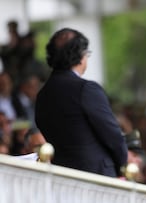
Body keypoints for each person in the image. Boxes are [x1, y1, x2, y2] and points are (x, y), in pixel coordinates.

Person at [35, 28, 128, 177]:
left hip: (62, 177)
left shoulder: (42, 95)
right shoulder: (86, 89)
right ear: (80, 55)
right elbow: (113, 136)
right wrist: (123, 167)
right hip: (97, 176)